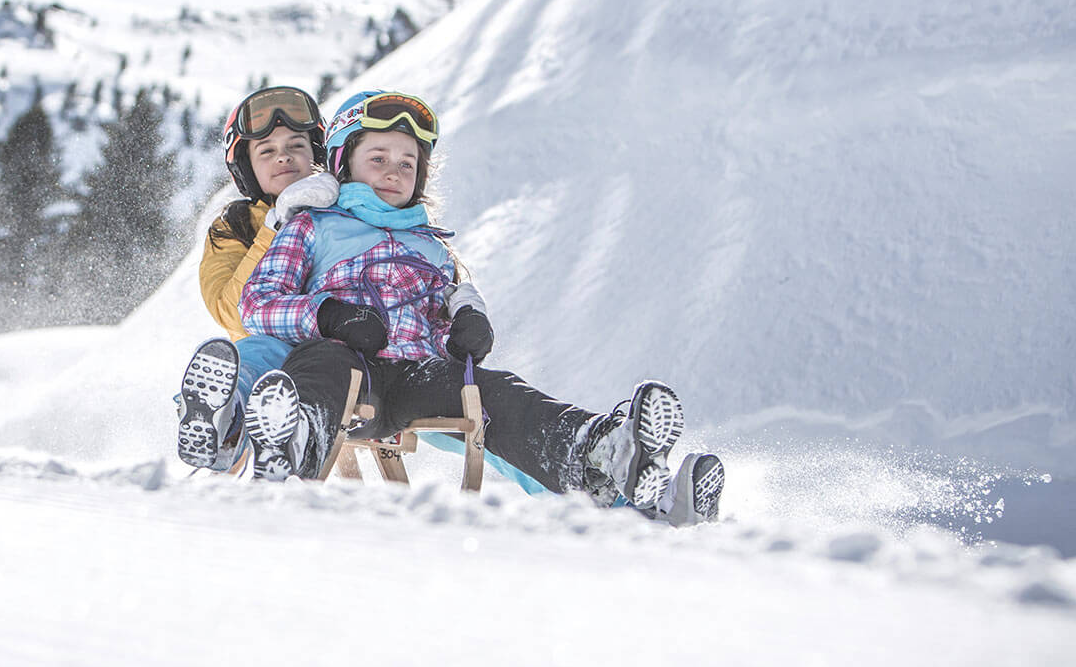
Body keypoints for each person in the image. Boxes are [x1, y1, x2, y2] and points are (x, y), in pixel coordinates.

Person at [234, 88, 723, 524]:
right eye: (378, 157)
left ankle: (603, 452)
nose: (393, 171)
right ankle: (292, 443)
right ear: (343, 163)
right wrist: (327, 316)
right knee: (322, 363)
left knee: (494, 391)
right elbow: (258, 303)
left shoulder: (431, 247)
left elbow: (453, 301)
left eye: (407, 163)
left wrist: (468, 322)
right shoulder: (313, 225)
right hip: (345, 367)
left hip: (414, 374)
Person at [174, 85, 340, 472]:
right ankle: (221, 422)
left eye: (296, 145)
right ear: (247, 167)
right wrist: (275, 224)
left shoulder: (348, 210)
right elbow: (231, 313)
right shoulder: (233, 228)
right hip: (270, 350)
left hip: (337, 348)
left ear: (317, 154)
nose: (283, 156)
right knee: (254, 353)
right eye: (266, 150)